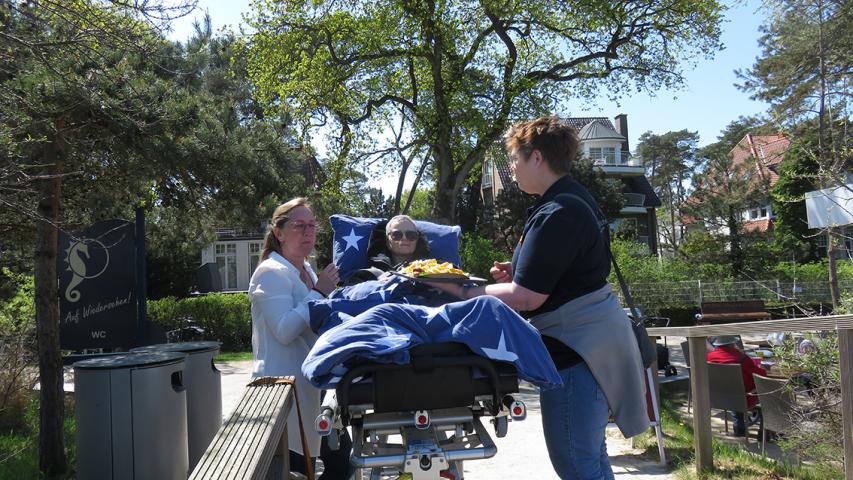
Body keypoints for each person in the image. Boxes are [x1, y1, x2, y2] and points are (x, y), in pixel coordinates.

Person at [428, 116, 647, 479]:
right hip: (590, 348)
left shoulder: (558, 212)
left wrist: (463, 292)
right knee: (589, 459)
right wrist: (518, 272)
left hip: (578, 355)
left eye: (515, 158)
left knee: (577, 464)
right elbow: (559, 274)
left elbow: (526, 298)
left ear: (537, 157)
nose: (512, 167)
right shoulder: (571, 200)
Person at [248, 197, 352, 479]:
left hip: (313, 387)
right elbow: (284, 331)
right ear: (278, 233)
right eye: (299, 226)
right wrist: (319, 293)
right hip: (283, 394)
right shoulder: (269, 272)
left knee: (342, 463)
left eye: (312, 225)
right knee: (296, 469)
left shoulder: (306, 269)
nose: (308, 232)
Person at [343, 215, 431, 284]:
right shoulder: (365, 275)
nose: (404, 238)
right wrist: (376, 285)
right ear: (388, 242)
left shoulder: (432, 271)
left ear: (417, 240)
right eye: (397, 235)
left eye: (411, 235)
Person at [706, 335, 766, 436]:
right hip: (745, 397)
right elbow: (761, 374)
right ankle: (764, 433)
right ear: (732, 344)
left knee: (734, 390)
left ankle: (739, 428)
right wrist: (764, 368)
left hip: (719, 397)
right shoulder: (742, 358)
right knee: (766, 392)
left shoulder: (709, 357)